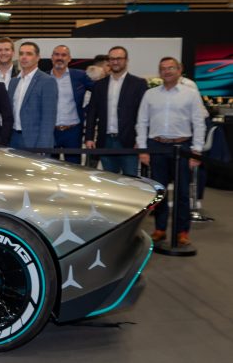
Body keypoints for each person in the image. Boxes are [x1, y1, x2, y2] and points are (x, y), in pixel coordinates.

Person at [136, 57, 206, 246]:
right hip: (157, 146)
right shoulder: (150, 94)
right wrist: (143, 149)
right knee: (159, 192)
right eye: (163, 69)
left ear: (179, 69)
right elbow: (142, 122)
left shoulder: (190, 94)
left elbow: (199, 123)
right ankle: (160, 229)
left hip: (182, 147)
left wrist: (196, 151)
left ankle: (182, 232)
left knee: (182, 193)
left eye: (171, 68)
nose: (166, 71)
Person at [84, 46, 148, 176]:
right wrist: (89, 137)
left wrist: (141, 140)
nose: (115, 62)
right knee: (110, 184)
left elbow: (144, 114)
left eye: (119, 58)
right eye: (112, 59)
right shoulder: (100, 84)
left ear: (126, 60)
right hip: (106, 141)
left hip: (129, 142)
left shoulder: (138, 83)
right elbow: (92, 112)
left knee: (131, 182)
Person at [8, 42, 58, 151]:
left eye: (29, 54)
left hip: (35, 141)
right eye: (21, 54)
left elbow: (48, 118)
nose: (24, 57)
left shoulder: (47, 81)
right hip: (13, 138)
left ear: (38, 57)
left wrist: (43, 147)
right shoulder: (14, 81)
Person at [50, 45, 93, 164]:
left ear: (69, 58)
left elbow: (98, 93)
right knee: (50, 169)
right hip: (50, 131)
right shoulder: (44, 77)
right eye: (57, 54)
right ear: (52, 58)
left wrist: (87, 110)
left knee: (74, 169)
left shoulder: (79, 76)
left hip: (73, 132)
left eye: (63, 55)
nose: (60, 58)